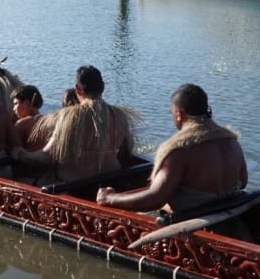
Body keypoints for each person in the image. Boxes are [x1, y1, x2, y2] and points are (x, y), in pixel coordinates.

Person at [97, 83, 247, 213]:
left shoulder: (180, 149)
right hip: (229, 214)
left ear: (179, 114)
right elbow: (243, 182)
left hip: (193, 224)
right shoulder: (231, 141)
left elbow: (155, 199)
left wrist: (110, 198)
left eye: (172, 113)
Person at [16, 65, 139, 183]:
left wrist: (20, 154)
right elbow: (128, 148)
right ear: (103, 86)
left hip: (74, 185)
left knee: (21, 181)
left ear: (77, 89)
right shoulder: (120, 116)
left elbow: (47, 156)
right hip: (110, 180)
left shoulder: (70, 116)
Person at [11, 84, 44, 149]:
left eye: (15, 103)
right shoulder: (48, 119)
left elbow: (16, 150)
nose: (13, 109)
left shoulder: (21, 124)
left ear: (26, 103)